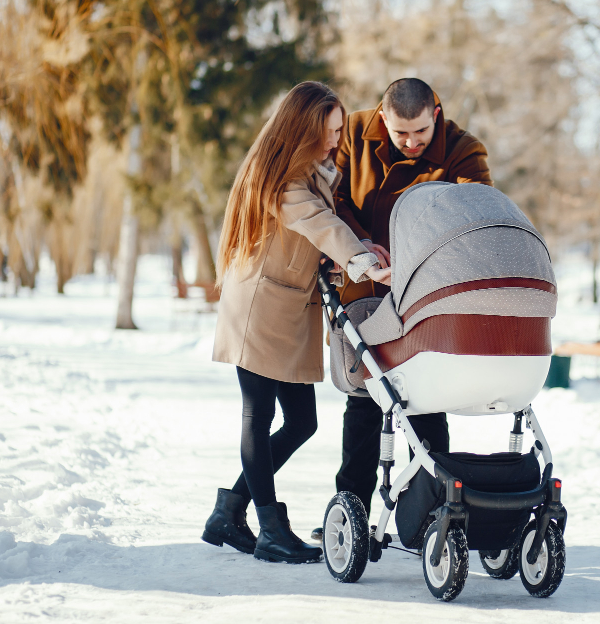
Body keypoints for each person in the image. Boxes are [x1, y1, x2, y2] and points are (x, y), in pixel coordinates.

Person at [203, 81, 391, 564]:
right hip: (259, 312)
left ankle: (230, 511)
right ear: (304, 129)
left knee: (302, 422)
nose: (336, 140)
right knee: (258, 415)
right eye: (329, 132)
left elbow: (311, 240)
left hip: (284, 310)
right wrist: (360, 260)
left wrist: (354, 254)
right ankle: (269, 527)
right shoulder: (281, 180)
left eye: (337, 131)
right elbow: (319, 225)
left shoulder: (312, 173)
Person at [315, 78, 492, 537]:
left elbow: (476, 211)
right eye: (400, 135)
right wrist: (360, 245)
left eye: (420, 133)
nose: (411, 143)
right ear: (382, 118)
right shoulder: (351, 134)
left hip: (429, 296)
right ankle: (348, 516)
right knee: (364, 405)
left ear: (436, 113)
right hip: (365, 293)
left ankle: (431, 517)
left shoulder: (463, 150)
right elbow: (330, 201)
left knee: (428, 404)